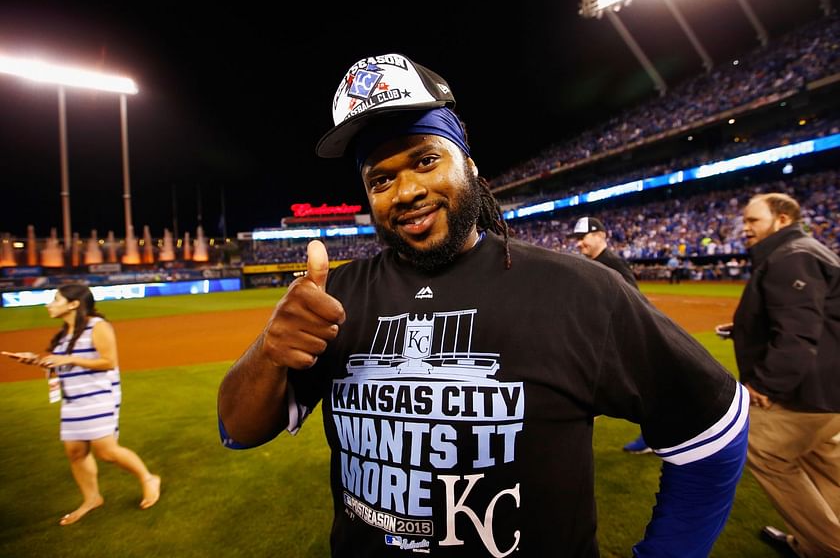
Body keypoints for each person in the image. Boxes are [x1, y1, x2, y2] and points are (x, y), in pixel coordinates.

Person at [218, 52, 749, 557]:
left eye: (425, 160)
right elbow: (236, 433)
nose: (404, 192)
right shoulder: (335, 298)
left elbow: (712, 429)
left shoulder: (580, 290)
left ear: (468, 165)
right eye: (380, 178)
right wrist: (269, 349)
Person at [715, 193, 840, 557]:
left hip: (807, 392)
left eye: (753, 221)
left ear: (782, 219)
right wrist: (743, 328)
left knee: (763, 449)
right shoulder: (807, 249)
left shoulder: (791, 256)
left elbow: (798, 334)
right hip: (829, 391)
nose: (746, 228)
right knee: (823, 460)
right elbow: (815, 320)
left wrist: (766, 385)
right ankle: (813, 546)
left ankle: (829, 547)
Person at [2, 284, 160, 525]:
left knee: (106, 451)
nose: (49, 304)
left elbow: (109, 361)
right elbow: (61, 365)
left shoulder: (98, 326)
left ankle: (149, 479)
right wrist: (34, 360)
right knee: (75, 452)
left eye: (56, 299)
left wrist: (68, 358)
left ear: (74, 304)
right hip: (73, 399)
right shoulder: (64, 334)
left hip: (99, 395)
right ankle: (92, 498)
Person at [570, 216, 651, 455]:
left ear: (600, 236)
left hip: (617, 344)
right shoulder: (595, 262)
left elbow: (634, 304)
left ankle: (654, 436)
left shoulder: (612, 263)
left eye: (582, 238)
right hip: (598, 343)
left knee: (642, 393)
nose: (578, 244)